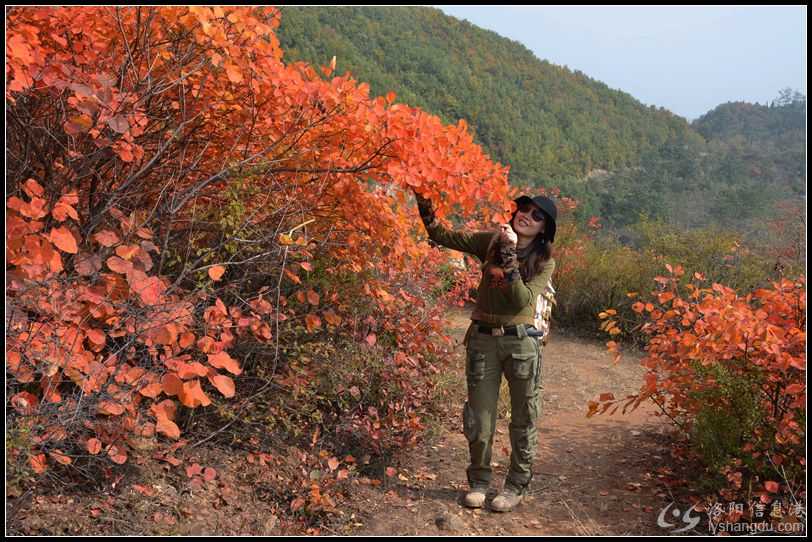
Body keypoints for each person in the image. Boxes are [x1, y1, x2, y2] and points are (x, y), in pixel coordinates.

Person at [413, 188, 557, 513]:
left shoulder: (544, 262)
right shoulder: (489, 242)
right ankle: (479, 482)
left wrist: (509, 255)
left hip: (521, 343)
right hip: (482, 340)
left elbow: (521, 299)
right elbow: (440, 234)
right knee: (479, 418)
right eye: (525, 209)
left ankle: (516, 486)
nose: (528, 216)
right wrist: (424, 197)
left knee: (524, 418)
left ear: (544, 228)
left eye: (537, 216)